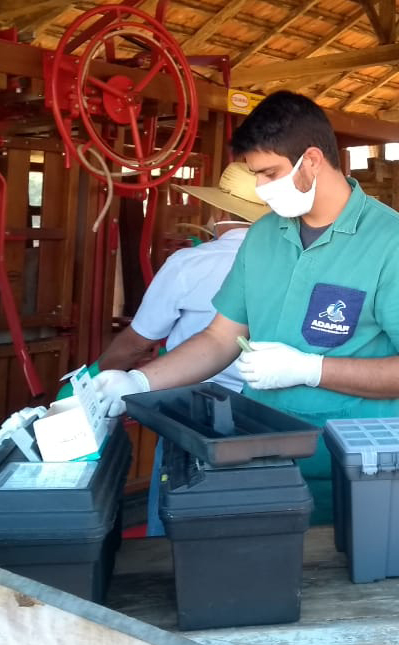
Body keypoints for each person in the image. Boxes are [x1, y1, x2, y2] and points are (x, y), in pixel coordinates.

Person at [93, 91, 399, 522]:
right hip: (258, 460)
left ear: (313, 160)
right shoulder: (264, 237)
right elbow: (219, 338)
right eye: (256, 176)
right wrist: (138, 382)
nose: (262, 189)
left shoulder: (394, 243)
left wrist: (311, 369)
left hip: (348, 471)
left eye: (269, 173)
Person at [97, 162, 268, 536]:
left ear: (218, 212)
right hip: (264, 418)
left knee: (175, 504)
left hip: (190, 412)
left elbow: (137, 342)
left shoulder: (189, 263)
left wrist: (99, 375)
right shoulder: (285, 266)